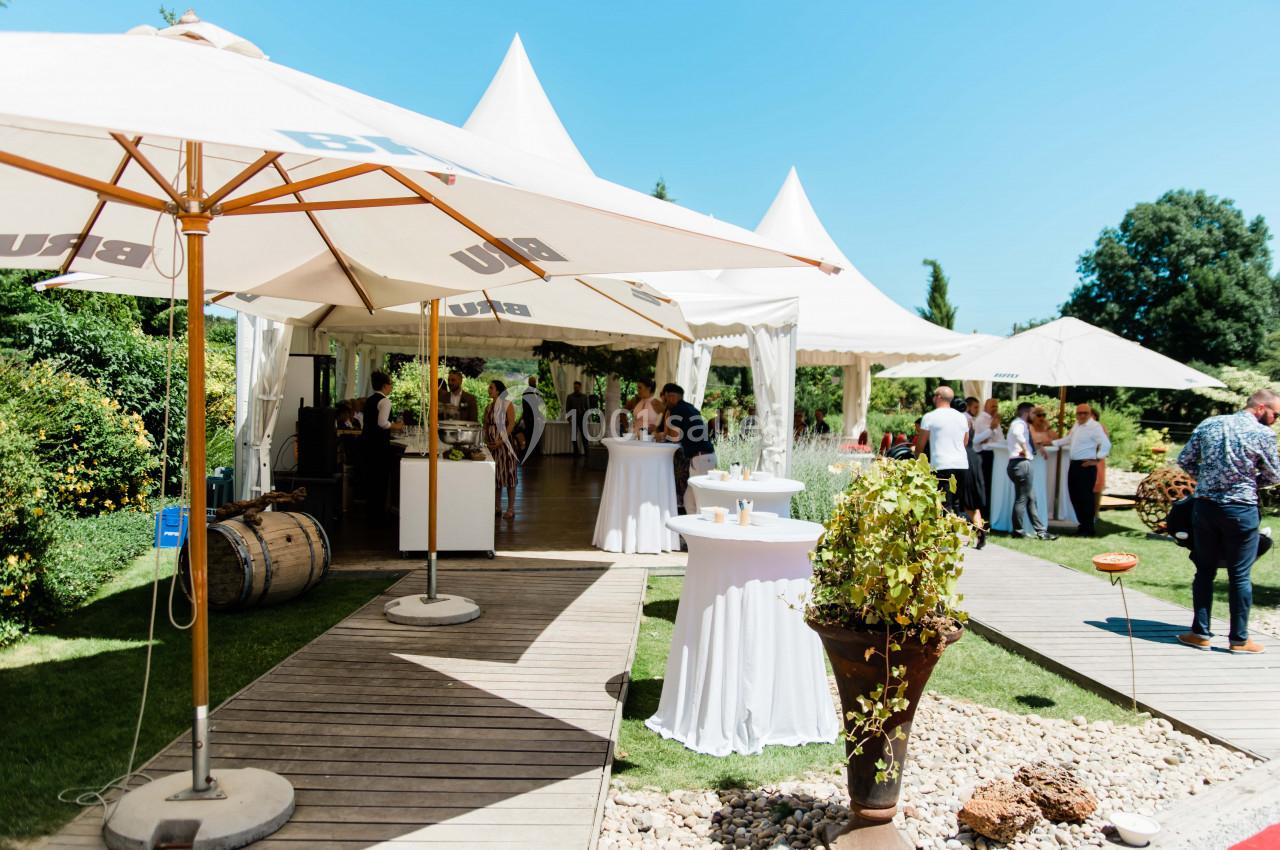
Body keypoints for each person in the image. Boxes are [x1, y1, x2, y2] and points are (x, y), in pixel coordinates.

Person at [1175, 389, 1280, 654]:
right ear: (1259, 408)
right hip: (1241, 510)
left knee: (1204, 571)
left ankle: (1200, 633)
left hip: (1205, 507)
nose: (1276, 419)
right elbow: (1274, 474)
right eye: (1275, 413)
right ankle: (1239, 640)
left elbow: (1184, 460)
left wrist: (1209, 478)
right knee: (1240, 575)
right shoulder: (1263, 434)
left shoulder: (1209, 424)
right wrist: (1249, 483)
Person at [1053, 403, 1111, 536]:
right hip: (1074, 465)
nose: (1082, 415)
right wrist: (1053, 443)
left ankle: (1088, 528)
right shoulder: (1077, 425)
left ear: (1090, 414)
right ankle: (1083, 525)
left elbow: (1106, 444)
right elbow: (1069, 439)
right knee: (1074, 496)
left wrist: (1096, 460)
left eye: (1085, 413)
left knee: (1085, 498)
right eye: (1079, 413)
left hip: (1086, 466)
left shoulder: (1094, 427)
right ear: (1076, 414)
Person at [660, 383, 716, 513]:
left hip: (701, 458)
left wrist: (661, 434)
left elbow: (674, 436)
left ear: (672, 397)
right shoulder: (690, 408)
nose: (664, 401)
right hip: (704, 457)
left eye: (665, 397)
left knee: (698, 500)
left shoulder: (677, 410)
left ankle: (702, 530)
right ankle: (691, 531)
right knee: (689, 500)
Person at [916, 386, 969, 517]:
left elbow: (921, 443)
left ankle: (946, 535)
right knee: (956, 503)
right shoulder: (961, 417)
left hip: (941, 464)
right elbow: (965, 441)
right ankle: (957, 534)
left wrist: (917, 460)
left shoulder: (930, 417)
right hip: (961, 464)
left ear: (938, 397)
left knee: (943, 504)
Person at [1006, 402, 1056, 540]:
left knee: (1030, 498)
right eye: (1033, 413)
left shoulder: (1021, 424)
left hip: (1018, 464)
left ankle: (1040, 531)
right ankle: (1018, 531)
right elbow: (1018, 434)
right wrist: (1026, 449)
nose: (1035, 416)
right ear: (1027, 412)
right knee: (1022, 499)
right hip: (1021, 464)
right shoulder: (1019, 424)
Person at [359, 371, 403, 522]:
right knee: (380, 478)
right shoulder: (385, 401)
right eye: (390, 384)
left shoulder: (369, 400)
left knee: (371, 478)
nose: (391, 387)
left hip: (367, 442)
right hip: (379, 445)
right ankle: (378, 515)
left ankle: (371, 513)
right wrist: (395, 425)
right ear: (385, 385)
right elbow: (382, 422)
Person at [951, 397, 988, 548]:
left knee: (954, 499)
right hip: (973, 457)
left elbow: (962, 441)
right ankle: (980, 529)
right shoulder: (969, 419)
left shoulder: (956, 420)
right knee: (970, 501)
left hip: (962, 457)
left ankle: (951, 533)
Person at [485, 379, 519, 519]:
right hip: (492, 446)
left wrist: (500, 440)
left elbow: (511, 424)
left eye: (491, 387)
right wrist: (487, 441)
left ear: (498, 390)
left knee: (510, 476)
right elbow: (485, 425)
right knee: (496, 476)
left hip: (506, 445)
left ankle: (510, 508)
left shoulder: (507, 404)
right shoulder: (488, 407)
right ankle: (497, 506)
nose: (489, 389)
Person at [973, 398, 1002, 515]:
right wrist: (991, 429)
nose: (995, 408)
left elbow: (999, 438)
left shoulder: (994, 420)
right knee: (986, 485)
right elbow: (976, 440)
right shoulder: (981, 419)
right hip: (984, 456)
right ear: (986, 407)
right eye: (992, 406)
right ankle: (984, 512)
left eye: (996, 406)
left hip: (995, 455)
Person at [564, 380, 591, 456]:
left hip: (582, 417)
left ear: (580, 387)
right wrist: (568, 418)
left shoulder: (584, 397)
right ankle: (576, 452)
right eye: (575, 387)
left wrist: (587, 418)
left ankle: (587, 452)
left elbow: (587, 408)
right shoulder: (570, 397)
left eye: (577, 387)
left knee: (584, 436)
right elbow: (567, 408)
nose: (576, 388)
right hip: (574, 418)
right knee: (574, 437)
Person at [518, 375, 541, 458]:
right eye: (533, 382)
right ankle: (531, 452)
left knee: (531, 435)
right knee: (530, 435)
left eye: (534, 382)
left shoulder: (532, 391)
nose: (534, 383)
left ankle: (531, 452)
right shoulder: (530, 392)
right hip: (530, 418)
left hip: (531, 417)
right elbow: (530, 406)